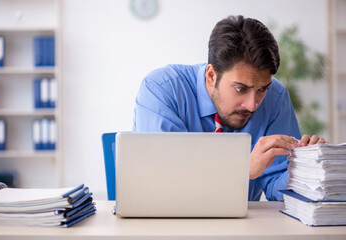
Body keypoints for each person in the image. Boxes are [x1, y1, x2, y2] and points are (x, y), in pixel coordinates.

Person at [132, 15, 327, 201]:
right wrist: (241, 170)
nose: (252, 105)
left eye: (262, 89)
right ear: (211, 76)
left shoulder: (275, 98)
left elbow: (276, 185)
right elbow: (162, 182)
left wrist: (308, 171)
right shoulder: (162, 89)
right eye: (240, 89)